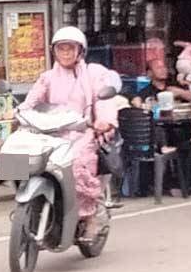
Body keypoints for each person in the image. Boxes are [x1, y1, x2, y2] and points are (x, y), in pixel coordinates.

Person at [18, 26, 118, 242]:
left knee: (77, 163)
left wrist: (104, 120)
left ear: (80, 51)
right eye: (61, 49)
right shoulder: (47, 78)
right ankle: (26, 203)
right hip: (51, 134)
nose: (65, 53)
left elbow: (104, 101)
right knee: (15, 157)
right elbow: (30, 102)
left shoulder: (94, 73)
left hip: (83, 133)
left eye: (70, 49)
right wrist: (17, 112)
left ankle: (91, 216)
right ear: (54, 51)